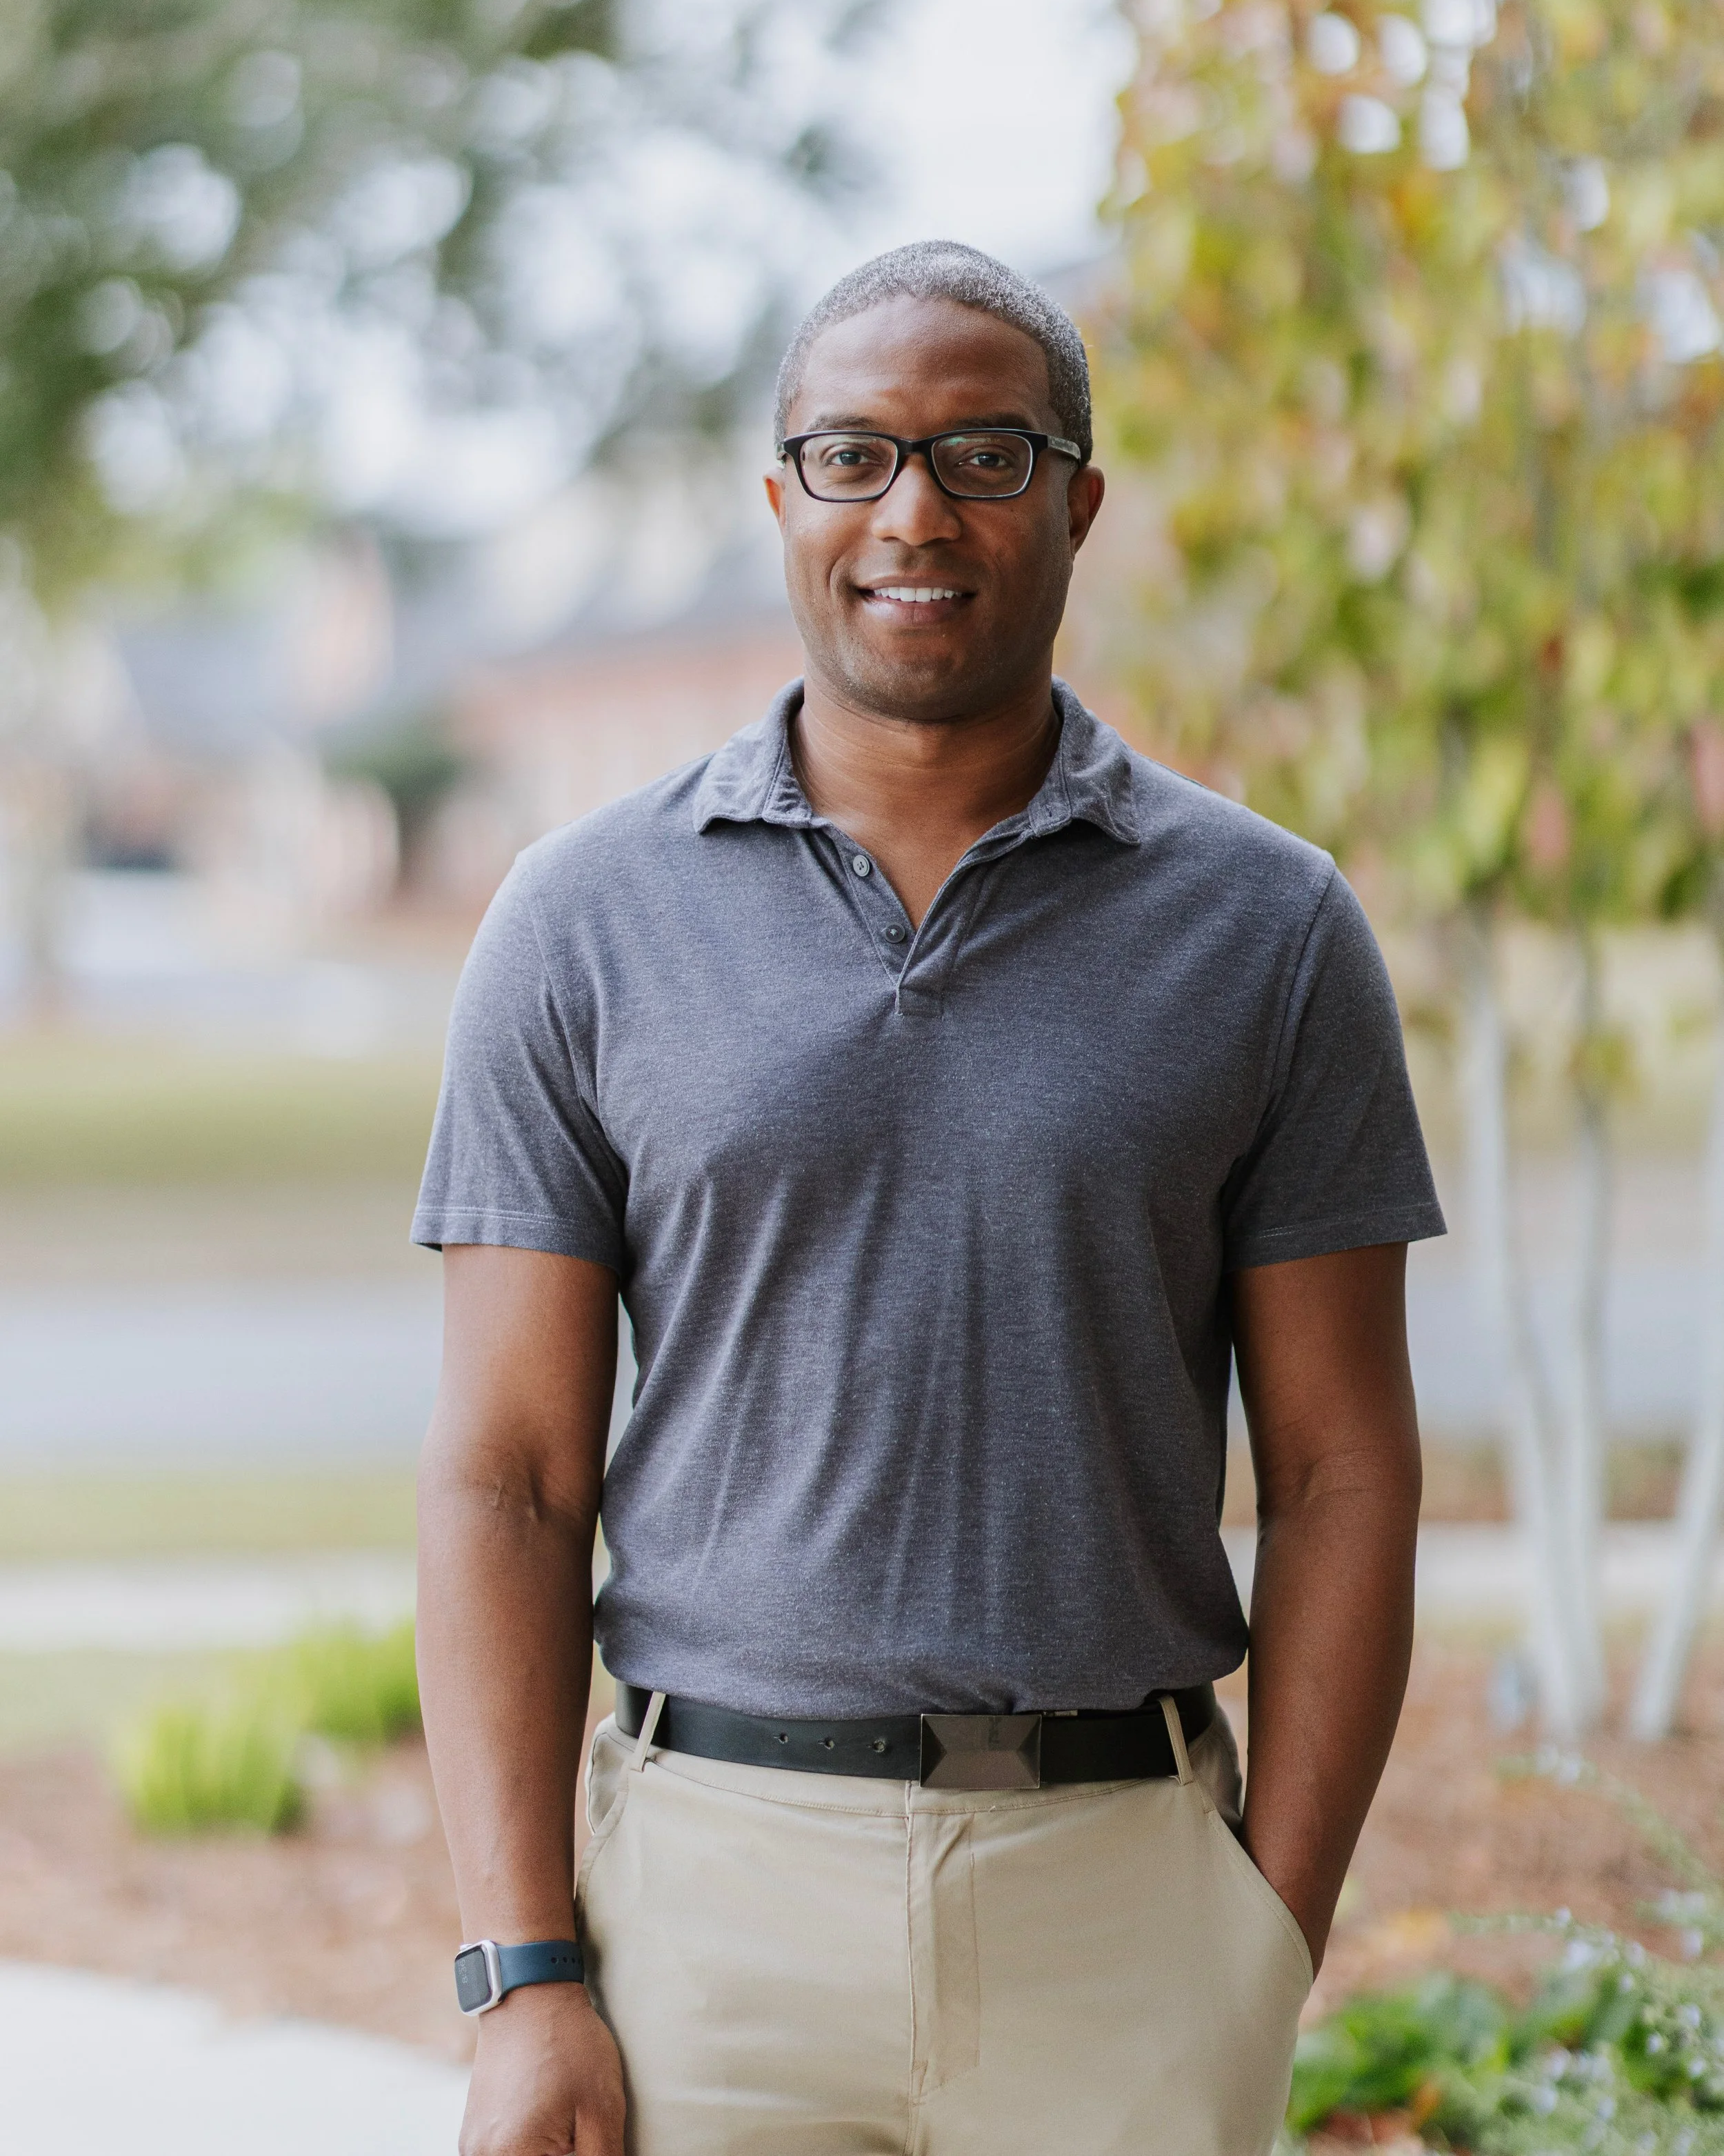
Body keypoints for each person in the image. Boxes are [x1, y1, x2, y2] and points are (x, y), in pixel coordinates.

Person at [413, 240, 1441, 2156]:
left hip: (1122, 1910)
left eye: (984, 453)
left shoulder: (1268, 928)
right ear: (780, 497)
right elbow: (509, 1475)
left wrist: (1261, 1929)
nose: (914, 512)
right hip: (708, 1911)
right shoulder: (579, 921)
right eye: (853, 455)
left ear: (1077, 498)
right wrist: (524, 1975)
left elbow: (1340, 1470)